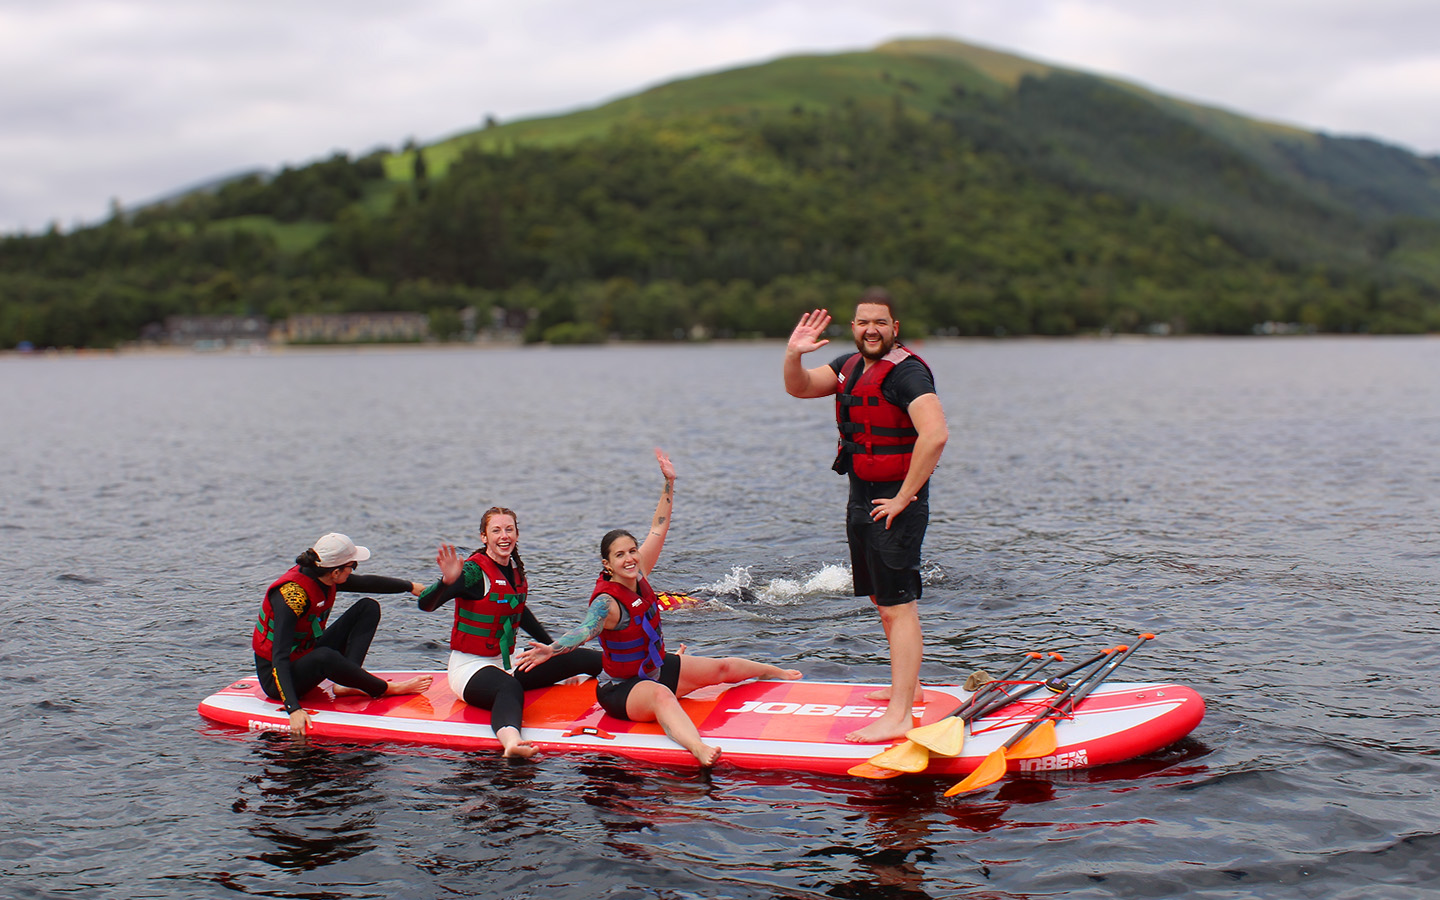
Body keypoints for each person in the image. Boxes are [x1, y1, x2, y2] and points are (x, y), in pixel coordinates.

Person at [515, 448, 801, 767]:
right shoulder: (607, 602)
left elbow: (658, 527)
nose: (629, 558)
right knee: (661, 695)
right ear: (607, 564)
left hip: (655, 669)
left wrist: (669, 482)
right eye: (620, 555)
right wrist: (551, 650)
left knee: (722, 669)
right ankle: (698, 747)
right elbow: (585, 630)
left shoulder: (639, 573)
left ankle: (778, 673)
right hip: (621, 690)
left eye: (632, 551)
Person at [782, 288, 949, 744]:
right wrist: (793, 354)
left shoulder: (907, 373)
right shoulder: (849, 367)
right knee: (881, 599)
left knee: (898, 605)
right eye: (863, 322)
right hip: (862, 497)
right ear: (854, 327)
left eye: (880, 322)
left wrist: (904, 497)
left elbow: (935, 434)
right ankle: (910, 689)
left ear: (895, 328)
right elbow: (799, 387)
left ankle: (900, 716)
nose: (871, 329)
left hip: (896, 503)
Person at [417, 506, 604, 758]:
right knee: (510, 688)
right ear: (484, 537)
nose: (504, 536)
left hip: (507, 661)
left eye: (509, 529)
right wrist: (446, 582)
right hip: (470, 668)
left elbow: (519, 612)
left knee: (587, 658)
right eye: (496, 530)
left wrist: (552, 650)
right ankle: (512, 743)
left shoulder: (514, 571)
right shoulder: (473, 572)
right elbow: (425, 604)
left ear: (516, 534)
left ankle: (642, 682)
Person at [253, 532, 433, 738]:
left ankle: (347, 683)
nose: (354, 570)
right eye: (352, 566)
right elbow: (279, 656)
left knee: (368, 608)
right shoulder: (292, 597)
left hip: (304, 655)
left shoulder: (324, 575)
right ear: (336, 572)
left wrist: (410, 587)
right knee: (325, 656)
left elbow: (367, 583)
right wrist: (293, 709)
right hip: (276, 679)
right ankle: (386, 688)